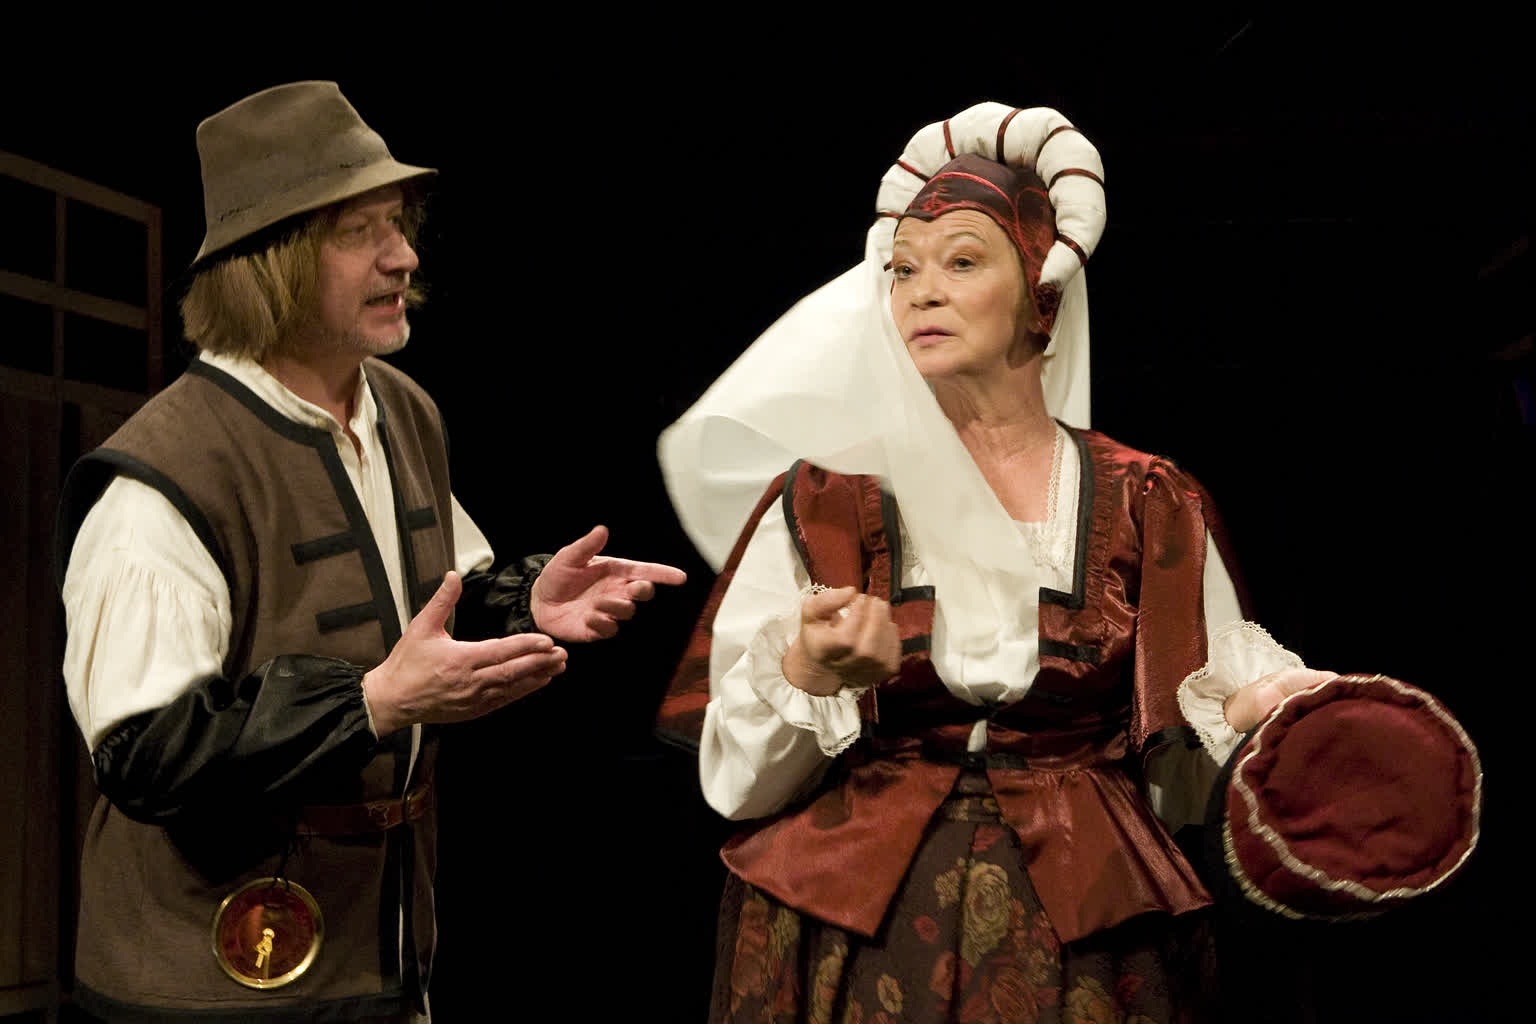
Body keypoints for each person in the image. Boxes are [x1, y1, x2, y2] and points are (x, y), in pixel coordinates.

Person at [655, 103, 1338, 1022]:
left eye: (963, 262)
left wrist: (1256, 712)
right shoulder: (826, 497)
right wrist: (808, 669)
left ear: (1040, 295)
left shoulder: (1147, 499)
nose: (921, 293)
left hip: (1080, 928)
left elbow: (1187, 750)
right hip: (849, 921)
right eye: (902, 270)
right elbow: (738, 785)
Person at [56, 80, 686, 1022]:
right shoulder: (169, 473)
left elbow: (426, 597)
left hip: (383, 949)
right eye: (359, 232)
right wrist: (373, 703)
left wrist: (521, 600)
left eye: (398, 223)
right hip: (208, 982)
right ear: (270, 262)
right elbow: (148, 753)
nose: (403, 256)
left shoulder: (401, 409)